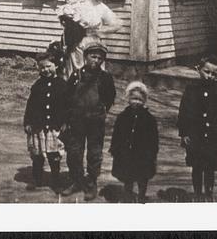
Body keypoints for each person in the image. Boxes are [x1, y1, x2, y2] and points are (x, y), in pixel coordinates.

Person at [60, 41, 116, 201]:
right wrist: (66, 119)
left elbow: (110, 96)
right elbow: (67, 98)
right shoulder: (76, 76)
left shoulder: (105, 78)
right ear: (85, 57)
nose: (96, 60)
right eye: (93, 56)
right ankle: (76, 180)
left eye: (100, 58)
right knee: (74, 152)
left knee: (94, 153)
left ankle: (91, 182)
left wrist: (102, 110)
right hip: (76, 121)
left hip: (95, 122)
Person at [176, 56, 217, 202]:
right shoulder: (191, 90)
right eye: (207, 72)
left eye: (214, 74)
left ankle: (208, 194)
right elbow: (183, 112)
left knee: (210, 167)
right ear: (198, 70)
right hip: (195, 137)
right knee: (196, 166)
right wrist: (184, 133)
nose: (210, 76)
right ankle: (197, 193)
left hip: (213, 138)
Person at [23, 53, 69, 193]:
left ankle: (56, 181)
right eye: (42, 67)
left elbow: (67, 106)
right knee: (37, 155)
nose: (45, 70)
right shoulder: (37, 86)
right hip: (38, 126)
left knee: (54, 155)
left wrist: (66, 122)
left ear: (56, 65)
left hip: (54, 127)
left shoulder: (62, 85)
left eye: (48, 66)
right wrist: (28, 122)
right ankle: (37, 179)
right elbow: (30, 105)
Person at [57, 0, 122, 79]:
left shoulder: (103, 9)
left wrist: (101, 32)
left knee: (92, 68)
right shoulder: (82, 5)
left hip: (92, 42)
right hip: (78, 40)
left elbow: (118, 24)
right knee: (76, 67)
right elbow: (67, 14)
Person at [109, 81, 159, 203]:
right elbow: (117, 135)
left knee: (143, 177)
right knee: (128, 176)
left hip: (143, 155)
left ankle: (142, 196)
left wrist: (152, 152)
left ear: (144, 101)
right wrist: (115, 149)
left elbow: (154, 138)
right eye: (133, 99)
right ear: (128, 99)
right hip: (127, 154)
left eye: (140, 99)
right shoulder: (122, 117)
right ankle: (128, 195)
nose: (136, 102)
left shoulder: (149, 119)